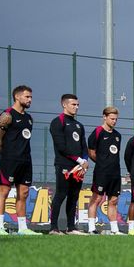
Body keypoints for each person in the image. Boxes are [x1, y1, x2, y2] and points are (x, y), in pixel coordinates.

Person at [0, 85, 37, 235]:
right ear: (17, 97)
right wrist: (4, 156)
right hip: (9, 160)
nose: (30, 99)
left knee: (24, 193)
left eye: (31, 97)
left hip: (26, 160)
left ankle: (22, 228)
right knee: (4, 191)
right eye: (27, 96)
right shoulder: (7, 115)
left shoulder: (29, 118)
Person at [49, 94, 89, 235]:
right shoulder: (57, 122)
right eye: (73, 104)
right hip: (64, 164)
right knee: (61, 194)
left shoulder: (79, 125)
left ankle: (71, 228)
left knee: (74, 196)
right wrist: (79, 160)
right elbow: (61, 147)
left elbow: (84, 146)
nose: (76, 107)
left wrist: (85, 160)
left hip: (78, 167)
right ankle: (53, 228)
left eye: (77, 105)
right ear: (64, 105)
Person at [87, 106, 124, 235]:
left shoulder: (118, 135)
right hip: (101, 172)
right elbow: (91, 152)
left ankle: (115, 230)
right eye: (112, 119)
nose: (114, 121)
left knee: (113, 200)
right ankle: (91, 228)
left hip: (115, 173)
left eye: (116, 119)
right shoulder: (98, 132)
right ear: (104, 117)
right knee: (96, 199)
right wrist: (102, 163)